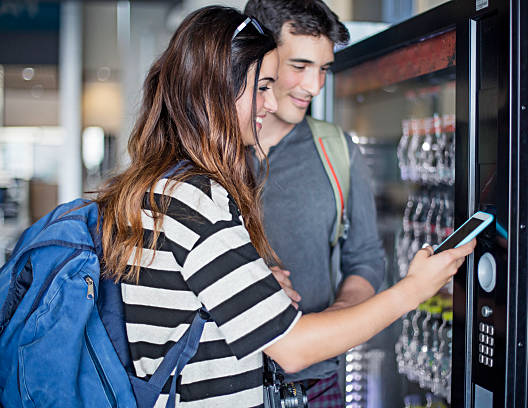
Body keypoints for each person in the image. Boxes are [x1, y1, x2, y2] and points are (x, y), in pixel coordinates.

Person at [95, 5, 474, 407]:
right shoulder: (196, 199)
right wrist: (414, 289)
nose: (275, 101)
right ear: (220, 86)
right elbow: (291, 347)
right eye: (263, 85)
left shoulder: (165, 185)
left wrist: (258, 287)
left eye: (324, 69)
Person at [243, 0, 385, 402]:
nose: (315, 86)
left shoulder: (336, 150)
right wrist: (249, 285)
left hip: (317, 382)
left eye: (323, 69)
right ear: (260, 58)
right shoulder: (205, 155)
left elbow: (367, 258)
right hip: (227, 384)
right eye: (300, 66)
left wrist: (337, 316)